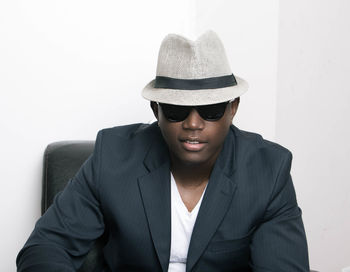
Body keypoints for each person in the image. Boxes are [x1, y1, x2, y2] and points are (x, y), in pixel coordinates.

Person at [16, 30, 309, 271]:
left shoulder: (268, 171)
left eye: (210, 110)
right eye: (176, 110)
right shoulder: (113, 157)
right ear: (156, 110)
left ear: (232, 109)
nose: (193, 124)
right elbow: (45, 247)